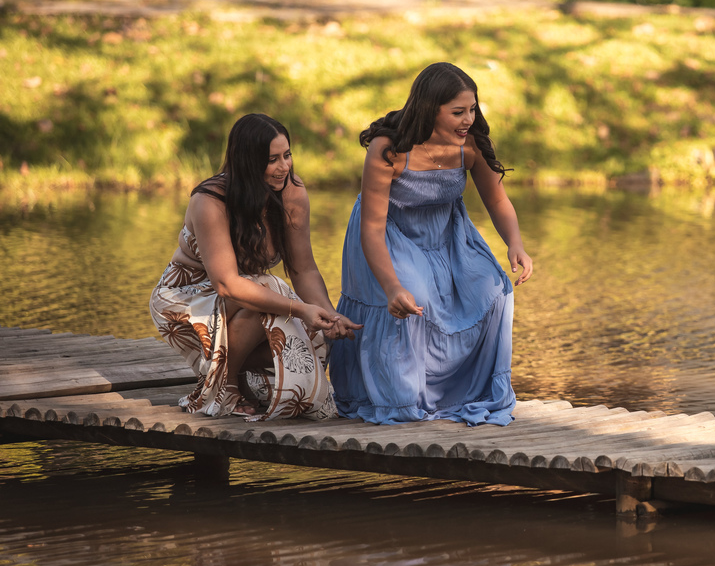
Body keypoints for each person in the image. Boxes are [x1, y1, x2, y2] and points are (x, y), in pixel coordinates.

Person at [329, 62, 532, 425]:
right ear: (429, 109)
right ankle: (402, 395)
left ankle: (468, 392)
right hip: (388, 235)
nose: (468, 119)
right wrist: (392, 287)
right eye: (458, 112)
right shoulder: (389, 149)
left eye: (472, 109)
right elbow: (372, 229)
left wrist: (515, 243)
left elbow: (497, 199)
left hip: (446, 236)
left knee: (494, 288)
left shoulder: (470, 145)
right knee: (413, 295)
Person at [150, 113, 359, 420]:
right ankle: (225, 384)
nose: (284, 167)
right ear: (247, 161)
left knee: (309, 330)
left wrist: (329, 315)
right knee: (270, 289)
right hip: (187, 299)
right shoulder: (210, 202)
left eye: (287, 155)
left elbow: (303, 269)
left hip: (244, 295)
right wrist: (300, 309)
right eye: (272, 160)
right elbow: (227, 284)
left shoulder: (291, 192)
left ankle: (232, 373)